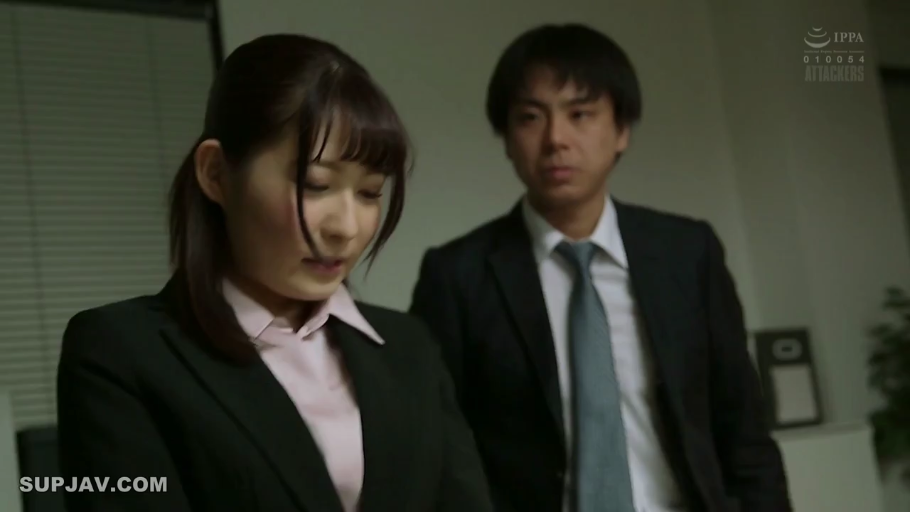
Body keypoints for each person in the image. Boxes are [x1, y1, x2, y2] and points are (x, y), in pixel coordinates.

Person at [56, 34, 493, 512]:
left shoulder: (410, 347)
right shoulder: (120, 353)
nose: (346, 228)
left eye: (370, 193)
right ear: (216, 173)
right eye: (316, 184)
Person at [409, 23, 791, 512]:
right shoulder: (457, 276)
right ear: (506, 138)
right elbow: (439, 450)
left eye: (581, 114)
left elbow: (744, 431)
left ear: (621, 131)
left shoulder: (687, 253)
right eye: (530, 117)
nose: (556, 139)